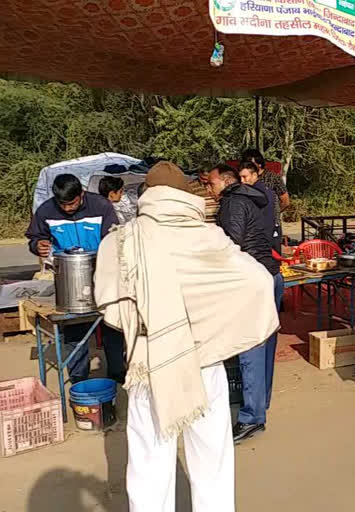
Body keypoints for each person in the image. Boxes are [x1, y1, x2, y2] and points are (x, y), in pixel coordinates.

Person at [94, 161, 279, 512]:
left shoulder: (120, 240)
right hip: (204, 359)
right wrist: (219, 328)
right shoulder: (208, 236)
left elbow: (109, 305)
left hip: (149, 360)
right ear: (182, 195)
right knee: (212, 458)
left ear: (146, 195)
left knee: (149, 461)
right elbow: (257, 281)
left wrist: (145, 325)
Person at [208, 164, 284, 442]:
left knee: (249, 346)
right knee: (265, 343)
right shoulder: (252, 199)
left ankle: (252, 417)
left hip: (252, 280)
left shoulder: (232, 202)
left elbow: (232, 245)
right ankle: (260, 403)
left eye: (211, 184)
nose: (209, 189)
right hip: (270, 275)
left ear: (226, 182)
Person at [25, 173, 125, 384]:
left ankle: (117, 373)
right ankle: (79, 378)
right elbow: (35, 238)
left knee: (112, 326)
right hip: (68, 281)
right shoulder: (46, 211)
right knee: (75, 331)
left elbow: (115, 237)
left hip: (102, 276)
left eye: (71, 203)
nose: (67, 209)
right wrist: (38, 246)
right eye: (63, 204)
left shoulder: (101, 206)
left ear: (82, 194)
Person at [241, 149, 289, 231]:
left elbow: (285, 201)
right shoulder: (242, 179)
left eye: (250, 163)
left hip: (271, 226)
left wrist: (273, 213)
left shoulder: (273, 178)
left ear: (259, 164)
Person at [240, 161, 281, 251]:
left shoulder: (254, 193)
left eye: (244, 177)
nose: (242, 181)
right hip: (268, 236)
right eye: (240, 177)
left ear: (254, 175)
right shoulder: (266, 189)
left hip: (260, 239)